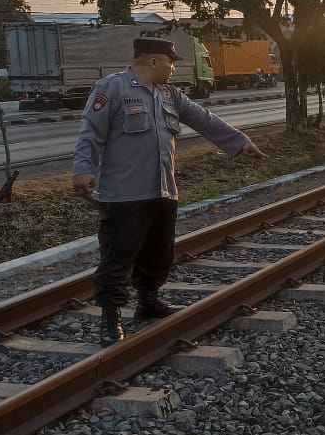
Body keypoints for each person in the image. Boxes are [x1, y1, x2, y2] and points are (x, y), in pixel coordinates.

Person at [72, 38, 265, 346]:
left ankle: (148, 301)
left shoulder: (169, 94)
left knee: (158, 254)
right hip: (124, 194)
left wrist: (240, 141)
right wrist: (83, 168)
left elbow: (203, 119)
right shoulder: (112, 89)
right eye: (170, 62)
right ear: (153, 62)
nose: (174, 68)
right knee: (117, 257)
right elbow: (90, 132)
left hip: (162, 191)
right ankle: (110, 316)